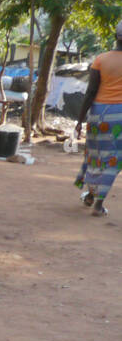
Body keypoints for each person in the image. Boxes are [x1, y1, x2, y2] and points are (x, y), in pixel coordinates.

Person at [73, 21, 122, 217]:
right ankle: (98, 204)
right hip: (119, 117)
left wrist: (79, 120)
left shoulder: (100, 60)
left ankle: (91, 196)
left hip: (97, 114)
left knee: (95, 156)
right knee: (114, 159)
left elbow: (90, 91)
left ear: (115, 37)